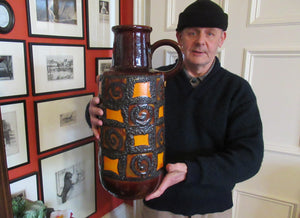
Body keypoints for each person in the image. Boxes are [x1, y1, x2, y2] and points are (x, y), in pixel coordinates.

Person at [85, 0, 264, 217]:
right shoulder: (150, 84)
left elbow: (249, 158)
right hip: (158, 203)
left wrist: (192, 171)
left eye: (210, 34)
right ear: (179, 38)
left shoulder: (237, 90)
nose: (200, 41)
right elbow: (121, 118)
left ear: (221, 39)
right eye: (192, 33)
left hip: (213, 207)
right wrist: (93, 114)